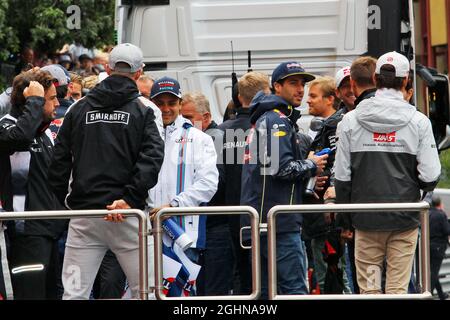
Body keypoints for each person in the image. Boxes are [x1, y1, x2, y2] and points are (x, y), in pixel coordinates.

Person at [48, 43, 165, 299]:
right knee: (147, 292)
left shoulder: (77, 109)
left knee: (74, 293)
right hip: (129, 216)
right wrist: (129, 199)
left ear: (109, 69)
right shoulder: (146, 110)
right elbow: (152, 159)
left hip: (85, 216)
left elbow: (58, 162)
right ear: (139, 72)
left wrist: (71, 202)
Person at [334, 51, 441, 294]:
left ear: (375, 77)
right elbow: (430, 175)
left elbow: (341, 176)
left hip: (365, 219)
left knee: (370, 291)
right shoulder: (419, 121)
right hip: (404, 219)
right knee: (397, 289)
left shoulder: (350, 121)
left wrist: (346, 219)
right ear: (405, 82)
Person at [240, 61, 327, 299]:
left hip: (265, 221)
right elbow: (279, 168)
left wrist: (305, 180)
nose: (300, 89)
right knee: (294, 292)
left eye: (303, 84)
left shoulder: (268, 118)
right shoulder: (276, 119)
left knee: (268, 294)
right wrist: (312, 165)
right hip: (279, 223)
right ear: (276, 86)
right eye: (293, 83)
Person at [149, 77, 219, 296]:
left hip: (183, 234)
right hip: (146, 231)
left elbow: (208, 183)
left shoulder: (199, 138)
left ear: (180, 104)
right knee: (148, 292)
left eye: (172, 102)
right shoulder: (142, 136)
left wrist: (173, 205)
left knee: (182, 297)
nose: (166, 108)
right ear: (152, 104)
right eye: (160, 103)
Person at [0, 69, 66, 299]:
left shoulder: (44, 133)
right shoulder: (7, 126)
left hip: (51, 232)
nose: (58, 103)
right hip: (25, 234)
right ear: (31, 100)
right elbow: (20, 138)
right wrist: (35, 101)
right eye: (51, 98)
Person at [216, 71, 271, 295]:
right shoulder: (268, 126)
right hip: (265, 212)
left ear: (239, 97)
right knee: (266, 276)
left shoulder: (221, 132)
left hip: (230, 216)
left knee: (241, 277)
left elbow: (217, 180)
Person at [302, 76, 351, 293]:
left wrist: (317, 172)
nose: (308, 101)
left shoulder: (336, 126)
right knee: (331, 280)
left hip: (329, 219)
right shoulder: (324, 127)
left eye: (313, 96)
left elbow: (339, 166)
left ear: (330, 99)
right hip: (321, 219)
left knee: (335, 280)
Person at [429, 195, 450, 300]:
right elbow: (447, 230)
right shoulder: (441, 215)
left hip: (428, 247)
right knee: (434, 272)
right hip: (438, 247)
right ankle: (429, 294)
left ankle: (441, 295)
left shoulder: (427, 214)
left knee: (433, 271)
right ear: (440, 203)